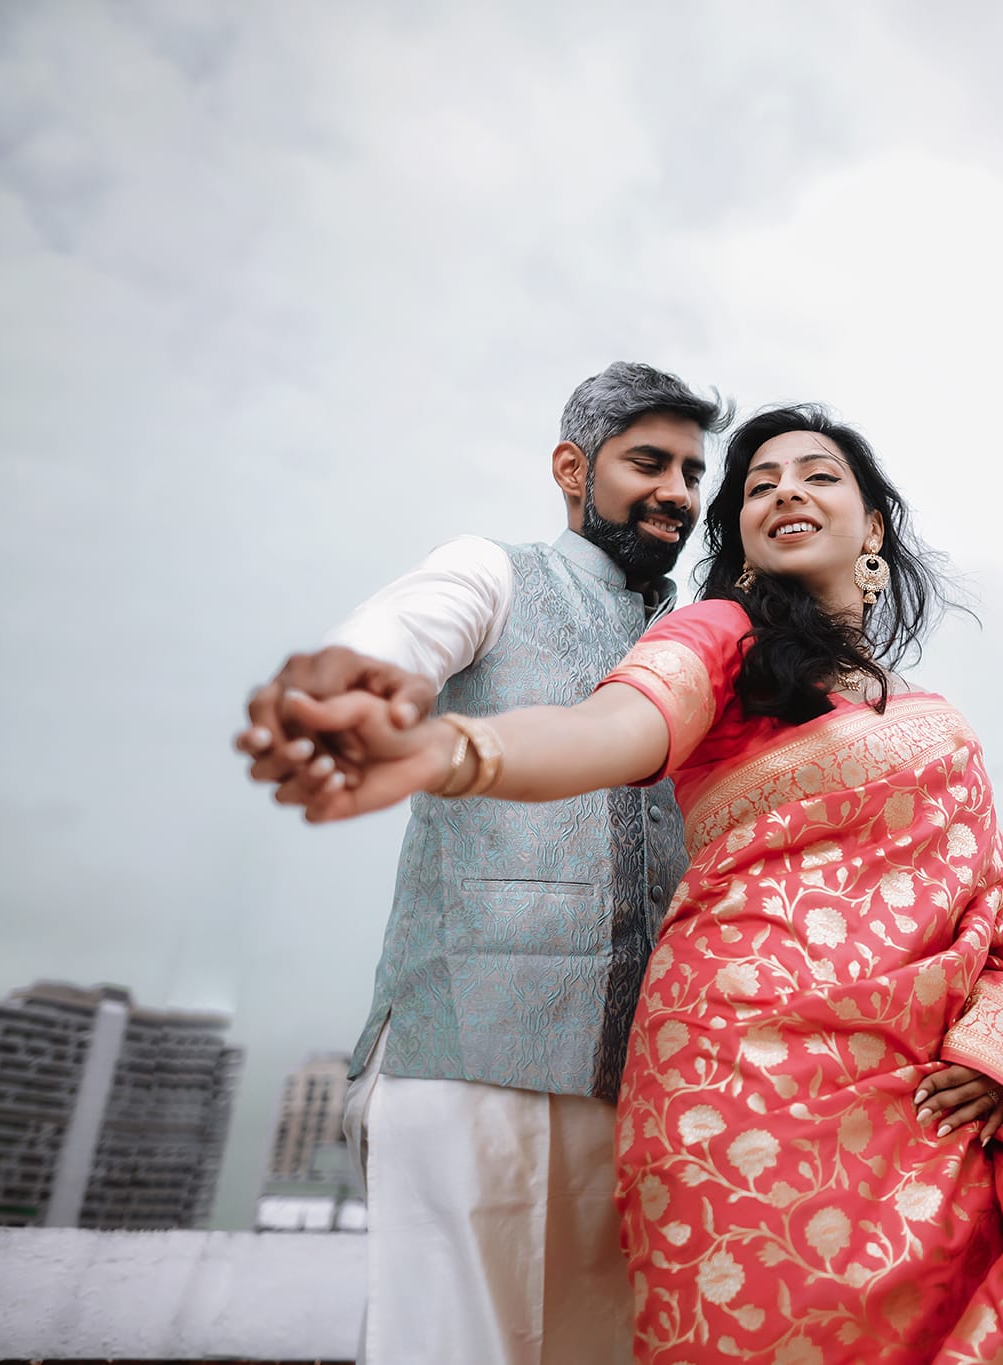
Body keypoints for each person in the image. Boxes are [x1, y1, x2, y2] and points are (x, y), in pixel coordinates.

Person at [277, 405, 1003, 1363]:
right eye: (760, 485)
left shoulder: (937, 724)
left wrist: (999, 1044)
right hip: (739, 1087)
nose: (786, 492)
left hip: (926, 1108)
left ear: (873, 524)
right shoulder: (722, 639)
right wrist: (452, 749)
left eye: (817, 475)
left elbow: (999, 915)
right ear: (741, 540)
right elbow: (607, 732)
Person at [235, 362, 730, 1365]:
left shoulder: (699, 642)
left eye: (691, 471)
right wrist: (351, 689)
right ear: (571, 468)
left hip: (644, 1094)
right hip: (465, 1061)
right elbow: (396, 641)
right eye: (648, 463)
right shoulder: (492, 571)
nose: (677, 492)